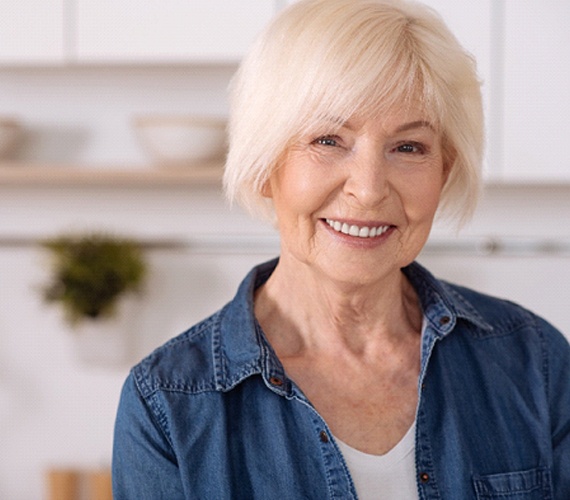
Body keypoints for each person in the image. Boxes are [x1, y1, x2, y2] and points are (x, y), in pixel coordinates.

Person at [112, 0, 570, 498]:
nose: (370, 189)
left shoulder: (535, 361)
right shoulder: (167, 403)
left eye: (409, 147)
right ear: (266, 165)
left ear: (445, 169)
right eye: (329, 140)